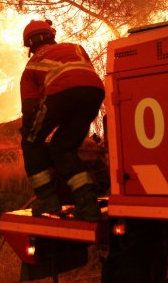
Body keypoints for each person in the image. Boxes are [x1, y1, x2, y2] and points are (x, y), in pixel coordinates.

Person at [20, 19, 105, 221]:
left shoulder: (32, 65)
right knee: (62, 148)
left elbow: (30, 109)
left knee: (31, 142)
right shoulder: (76, 48)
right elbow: (80, 79)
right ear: (52, 36)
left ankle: (47, 199)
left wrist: (29, 131)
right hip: (94, 92)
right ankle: (88, 204)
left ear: (30, 45)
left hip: (61, 93)